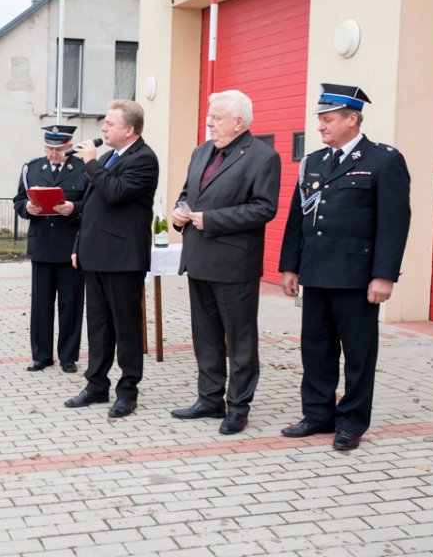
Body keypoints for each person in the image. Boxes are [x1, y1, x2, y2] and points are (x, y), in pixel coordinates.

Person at [279, 83, 411, 451]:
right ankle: (318, 413)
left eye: (328, 119)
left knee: (358, 353)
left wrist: (384, 275)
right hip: (317, 271)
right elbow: (297, 219)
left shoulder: (383, 160)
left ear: (353, 119)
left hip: (356, 276)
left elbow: (394, 223)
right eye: (320, 119)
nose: (320, 126)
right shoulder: (314, 162)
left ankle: (351, 421)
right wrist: (290, 266)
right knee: (316, 348)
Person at [169, 90, 281, 435]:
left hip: (234, 264)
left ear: (238, 121)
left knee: (240, 339)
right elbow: (189, 192)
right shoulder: (201, 151)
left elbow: (264, 208)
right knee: (205, 336)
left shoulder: (263, 157)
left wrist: (212, 219)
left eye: (215, 117)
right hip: (199, 258)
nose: (209, 122)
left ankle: (239, 406)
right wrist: (180, 210)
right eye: (208, 116)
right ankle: (209, 398)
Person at [63, 100, 159, 418]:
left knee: (126, 327)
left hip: (123, 257)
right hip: (95, 255)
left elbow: (115, 192)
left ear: (129, 129)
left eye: (109, 123)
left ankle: (128, 390)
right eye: (104, 122)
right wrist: (78, 245)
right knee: (100, 326)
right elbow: (91, 206)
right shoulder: (107, 157)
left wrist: (90, 164)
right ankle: (96, 385)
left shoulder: (144, 159)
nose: (103, 128)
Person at [13, 125, 89, 373]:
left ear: (70, 146)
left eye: (59, 150)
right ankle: (41, 355)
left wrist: (74, 209)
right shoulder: (32, 168)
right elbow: (19, 200)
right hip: (42, 245)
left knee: (71, 304)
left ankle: (68, 356)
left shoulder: (83, 169)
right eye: (49, 149)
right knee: (41, 304)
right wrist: (27, 208)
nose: (53, 155)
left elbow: (92, 205)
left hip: (70, 246)